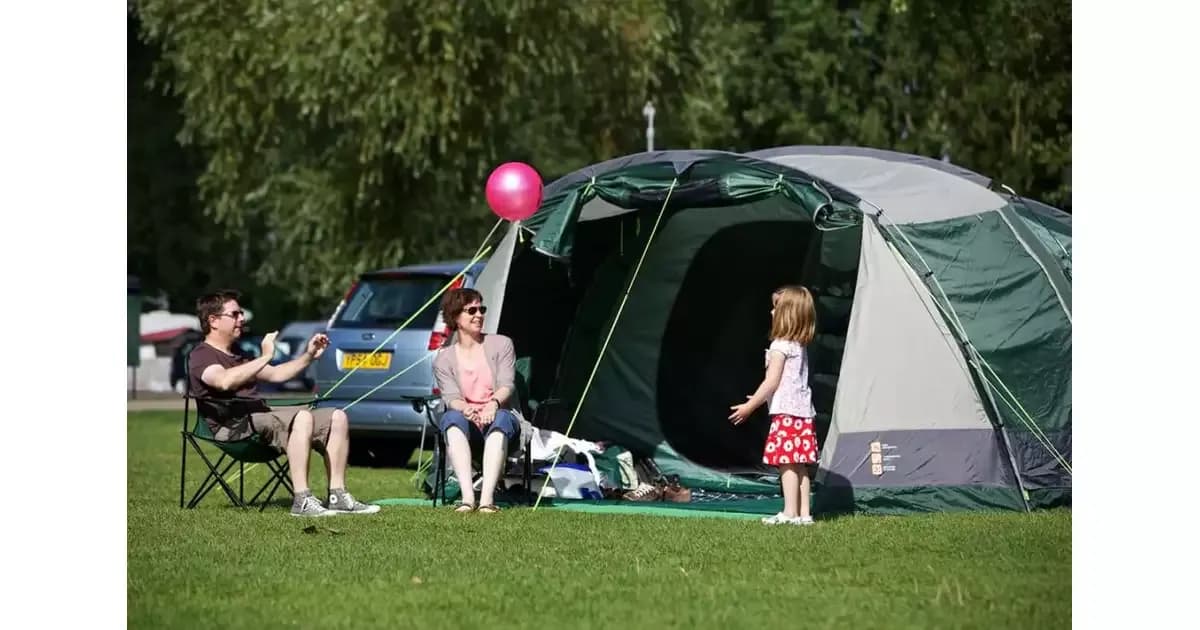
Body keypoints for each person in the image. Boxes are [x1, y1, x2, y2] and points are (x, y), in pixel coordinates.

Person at [188, 289, 380, 517]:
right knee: (302, 416)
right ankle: (302, 500)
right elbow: (223, 381)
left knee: (336, 417)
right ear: (213, 320)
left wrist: (309, 356)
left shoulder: (238, 354)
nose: (242, 318)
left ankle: (337, 495)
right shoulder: (202, 355)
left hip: (257, 418)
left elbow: (277, 374)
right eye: (235, 314)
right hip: (232, 427)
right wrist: (265, 356)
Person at [728, 285, 819, 526]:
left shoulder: (780, 346)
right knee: (800, 464)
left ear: (786, 314)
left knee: (786, 462)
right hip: (803, 412)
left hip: (786, 413)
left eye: (775, 307)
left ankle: (789, 512)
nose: (771, 312)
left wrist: (751, 406)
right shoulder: (798, 346)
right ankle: (804, 514)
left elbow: (771, 382)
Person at [432, 288, 523, 514]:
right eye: (471, 310)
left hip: (500, 418)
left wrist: (492, 404)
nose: (479, 315)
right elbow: (451, 397)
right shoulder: (443, 358)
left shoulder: (501, 344)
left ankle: (486, 500)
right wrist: (467, 410)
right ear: (455, 318)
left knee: (501, 418)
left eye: (481, 309)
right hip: (468, 424)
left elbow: (507, 384)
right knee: (452, 418)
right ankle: (467, 498)